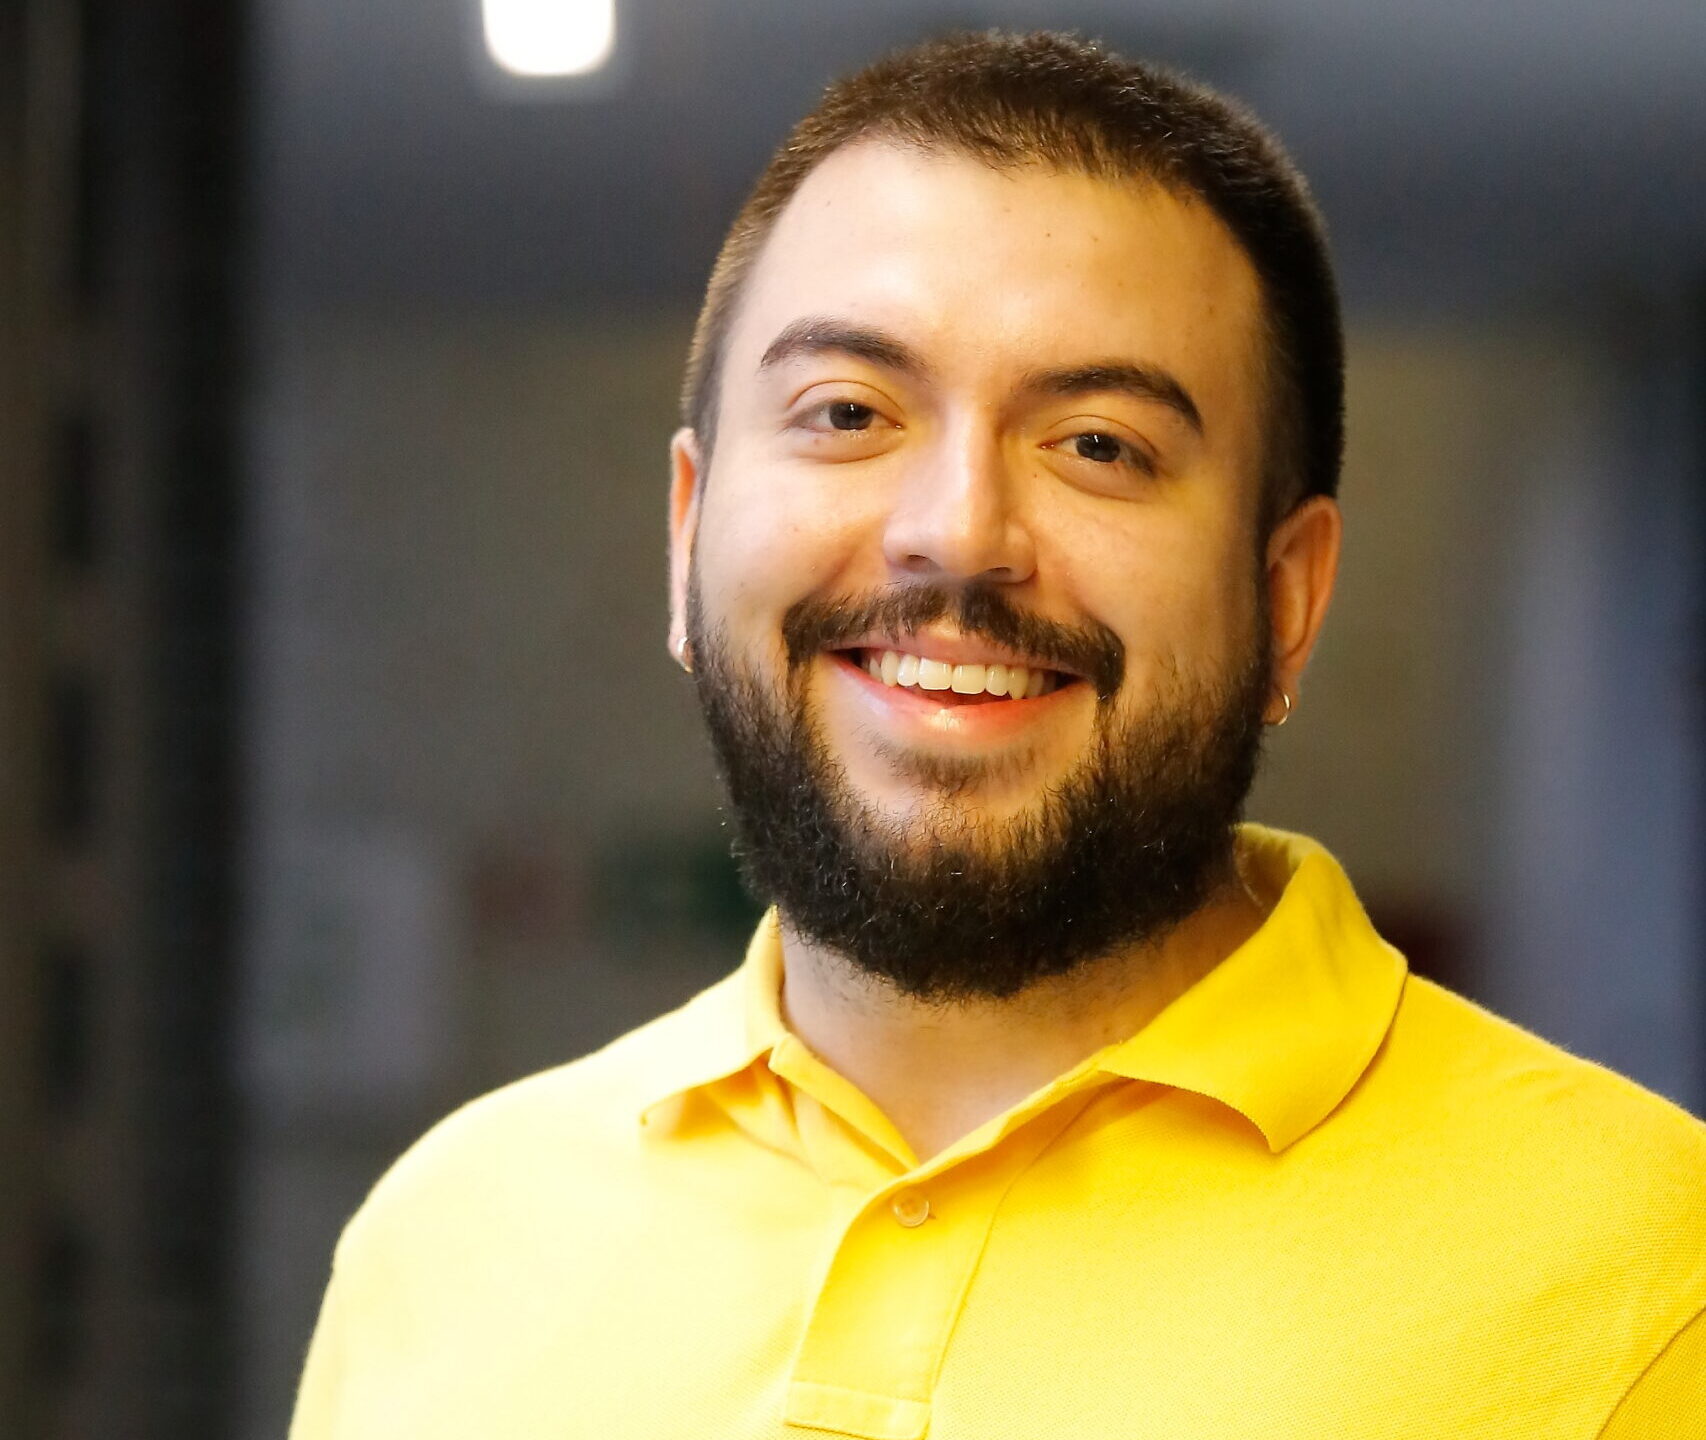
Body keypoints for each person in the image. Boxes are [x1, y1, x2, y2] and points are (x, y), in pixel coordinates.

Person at [289, 31, 1706, 1439]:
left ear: (1284, 597)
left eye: (1098, 444)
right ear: (688, 533)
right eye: (849, 412)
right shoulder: (446, 1239)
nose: (957, 533)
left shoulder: (1654, 1278)